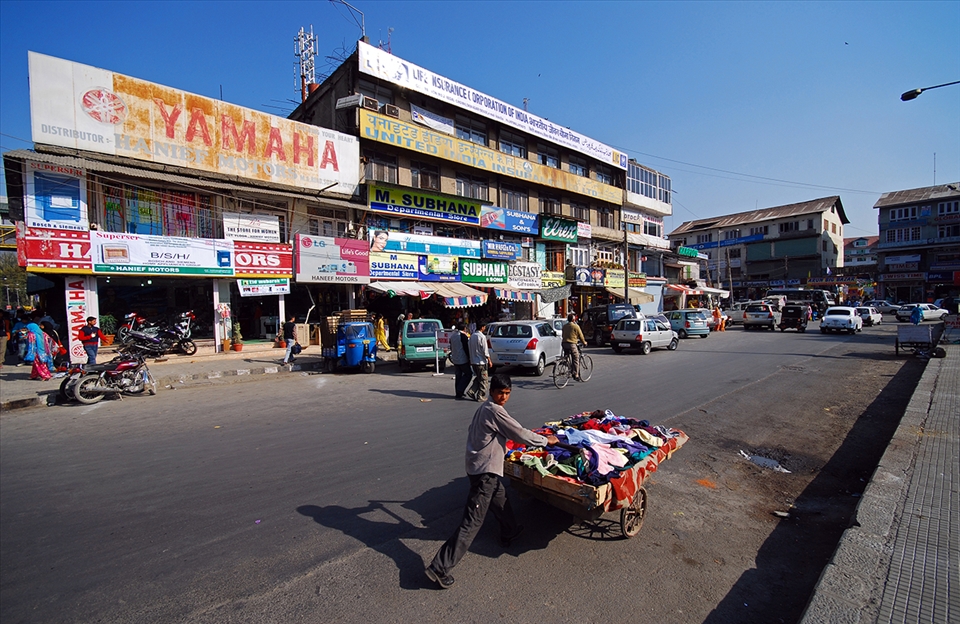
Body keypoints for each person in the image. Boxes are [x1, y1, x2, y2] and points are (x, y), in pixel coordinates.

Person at [425, 374, 559, 589]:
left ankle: (510, 530)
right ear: (491, 391)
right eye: (500, 393)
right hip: (484, 472)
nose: (503, 397)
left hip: (479, 468)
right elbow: (520, 434)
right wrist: (546, 440)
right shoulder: (495, 411)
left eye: (507, 393)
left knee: (500, 497)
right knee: (472, 522)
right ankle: (439, 567)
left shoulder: (484, 409)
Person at [464, 322, 491, 402]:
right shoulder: (482, 337)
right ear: (482, 327)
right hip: (481, 362)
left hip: (473, 361)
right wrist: (489, 360)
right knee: (484, 380)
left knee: (479, 378)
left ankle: (471, 391)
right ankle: (480, 395)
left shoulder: (472, 336)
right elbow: (485, 351)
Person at [448, 323, 472, 400]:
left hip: (455, 359)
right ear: (464, 328)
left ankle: (458, 393)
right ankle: (460, 389)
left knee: (458, 375)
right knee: (468, 374)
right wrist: (469, 358)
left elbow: (451, 346)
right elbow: (466, 348)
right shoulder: (462, 336)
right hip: (462, 359)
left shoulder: (453, 336)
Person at [561, 313, 587, 381]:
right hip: (572, 344)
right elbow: (581, 336)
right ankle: (576, 374)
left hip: (564, 344)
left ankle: (566, 363)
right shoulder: (576, 326)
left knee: (567, 355)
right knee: (576, 357)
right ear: (573, 319)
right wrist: (584, 342)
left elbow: (563, 335)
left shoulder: (564, 326)